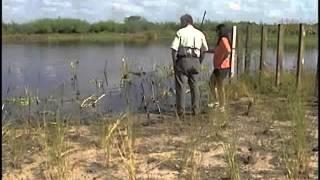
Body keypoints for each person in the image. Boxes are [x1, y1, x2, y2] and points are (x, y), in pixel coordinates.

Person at [170, 14, 208, 117]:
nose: (180, 23)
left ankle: (181, 112)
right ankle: (196, 111)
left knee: (181, 87)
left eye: (181, 21)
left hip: (183, 60)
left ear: (186, 21)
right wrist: (200, 61)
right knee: (195, 86)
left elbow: (174, 49)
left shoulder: (180, 32)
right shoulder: (200, 33)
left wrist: (175, 63)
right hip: (196, 61)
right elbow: (205, 49)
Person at [207, 24, 232, 112]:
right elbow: (217, 50)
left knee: (220, 86)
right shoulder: (221, 41)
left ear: (220, 31)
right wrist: (207, 50)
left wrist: (222, 58)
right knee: (211, 83)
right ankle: (217, 101)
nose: (216, 33)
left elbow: (228, 50)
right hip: (218, 67)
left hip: (222, 67)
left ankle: (222, 105)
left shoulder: (223, 39)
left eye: (217, 31)